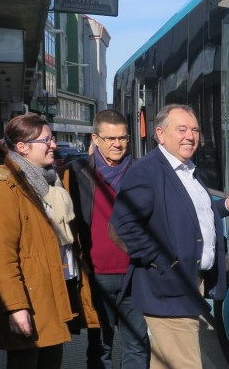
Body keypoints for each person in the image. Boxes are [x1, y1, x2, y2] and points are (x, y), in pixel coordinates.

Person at [110, 104, 229, 369]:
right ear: (160, 134)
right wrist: (164, 261)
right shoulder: (147, 171)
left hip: (187, 283)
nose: (190, 136)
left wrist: (224, 207)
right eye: (181, 129)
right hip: (168, 288)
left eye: (195, 130)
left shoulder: (187, 169)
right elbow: (123, 225)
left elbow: (190, 216)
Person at [0, 114, 99, 369]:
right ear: (22, 147)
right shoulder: (2, 189)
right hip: (29, 303)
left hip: (53, 295)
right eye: (47, 139)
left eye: (52, 138)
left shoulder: (49, 181)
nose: (53, 144)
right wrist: (16, 308)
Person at [59, 110, 150, 369]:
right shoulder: (74, 173)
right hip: (95, 277)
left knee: (138, 345)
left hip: (136, 273)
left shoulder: (142, 172)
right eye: (110, 138)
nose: (117, 144)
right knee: (100, 348)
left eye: (122, 138)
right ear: (95, 138)